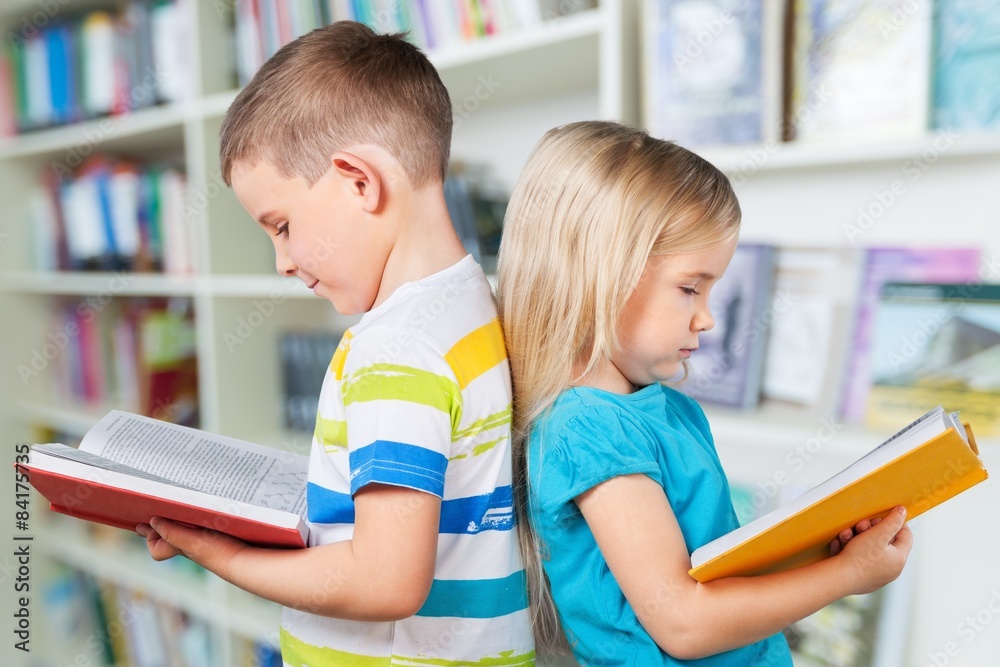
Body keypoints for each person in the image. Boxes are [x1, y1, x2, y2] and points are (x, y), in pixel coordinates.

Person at [135, 22, 534, 666]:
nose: (283, 262)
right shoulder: (471, 302)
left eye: (282, 226)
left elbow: (384, 581)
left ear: (358, 181)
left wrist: (218, 551)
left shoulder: (394, 350)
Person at [495, 120, 912, 665]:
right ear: (600, 275)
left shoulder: (667, 410)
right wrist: (844, 576)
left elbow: (716, 573)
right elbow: (684, 623)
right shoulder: (586, 428)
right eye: (690, 288)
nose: (708, 318)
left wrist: (822, 552)